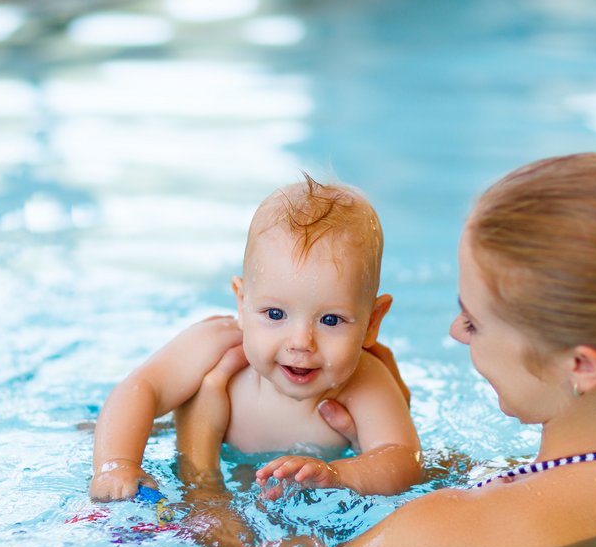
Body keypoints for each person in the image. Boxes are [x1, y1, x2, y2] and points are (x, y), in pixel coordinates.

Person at [188, 153, 596, 547]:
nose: (456, 333)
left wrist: (203, 475)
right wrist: (400, 454)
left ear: (580, 366)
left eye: (476, 320)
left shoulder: (438, 531)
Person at [88, 174, 422, 503]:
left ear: (372, 322)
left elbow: (403, 460)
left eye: (330, 320)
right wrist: (116, 463)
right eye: (275, 314)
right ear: (242, 303)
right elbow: (141, 387)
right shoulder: (216, 345)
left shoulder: (366, 382)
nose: (301, 342)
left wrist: (340, 475)